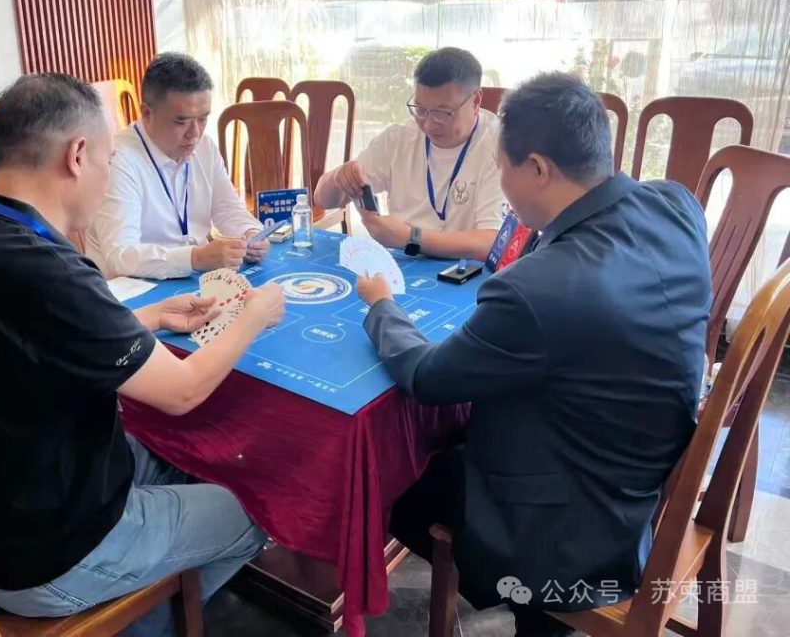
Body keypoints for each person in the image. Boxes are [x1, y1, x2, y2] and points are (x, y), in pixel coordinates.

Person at [0, 73, 286, 635]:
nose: (109, 174)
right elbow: (182, 392)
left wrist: (151, 317)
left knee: (187, 454)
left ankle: (158, 588)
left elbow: (33, 341)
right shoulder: (47, 270)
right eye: (109, 161)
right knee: (261, 504)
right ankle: (143, 625)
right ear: (77, 155)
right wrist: (254, 314)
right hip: (54, 553)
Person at [355, 73, 711, 636]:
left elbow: (427, 376)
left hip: (570, 531)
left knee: (392, 475)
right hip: (643, 477)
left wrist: (381, 305)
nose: (502, 184)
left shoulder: (539, 289)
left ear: (540, 169)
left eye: (503, 167)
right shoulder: (675, 204)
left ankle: (536, 611)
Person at [86, 53, 267, 280]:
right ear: (147, 113)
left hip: (192, 279)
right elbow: (121, 256)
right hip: (133, 289)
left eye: (202, 119)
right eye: (181, 122)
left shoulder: (205, 147)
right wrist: (195, 258)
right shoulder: (118, 159)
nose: (195, 134)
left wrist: (250, 233)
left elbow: (228, 208)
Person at [314, 47, 504, 261]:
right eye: (420, 110)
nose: (429, 124)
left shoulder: (499, 146)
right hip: (403, 263)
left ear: (476, 101)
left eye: (443, 113)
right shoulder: (399, 139)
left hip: (467, 269)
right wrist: (338, 177)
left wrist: (410, 238)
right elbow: (322, 199)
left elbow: (491, 243)